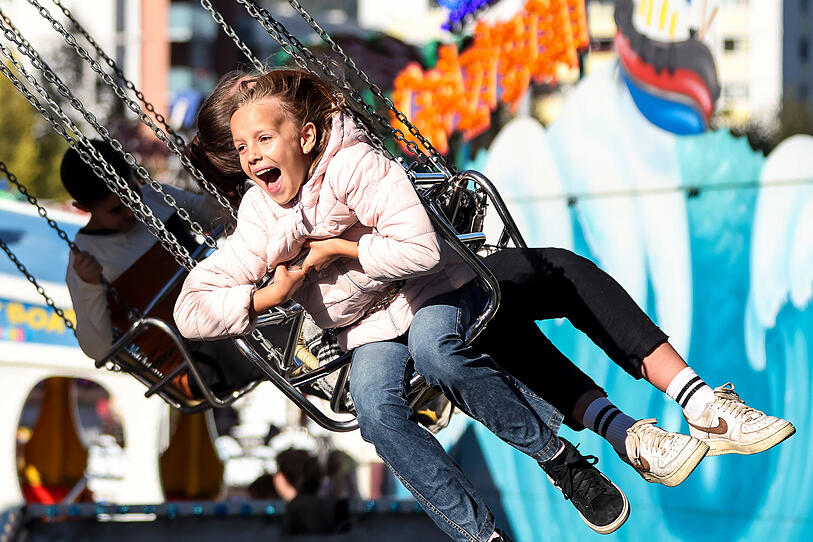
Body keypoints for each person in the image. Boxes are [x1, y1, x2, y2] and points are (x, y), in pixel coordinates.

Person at [174, 69, 629, 541]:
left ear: (305, 138)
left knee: (438, 353)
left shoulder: (356, 164)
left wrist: (338, 249)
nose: (252, 157)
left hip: (427, 290)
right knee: (373, 409)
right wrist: (266, 294)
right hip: (366, 327)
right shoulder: (260, 215)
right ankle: (480, 536)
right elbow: (190, 311)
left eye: (264, 139)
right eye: (242, 147)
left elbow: (421, 252)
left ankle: (562, 462)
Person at [61, 139, 263, 400]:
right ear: (83, 209)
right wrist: (90, 286)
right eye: (116, 209)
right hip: (191, 359)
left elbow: (223, 218)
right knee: (277, 333)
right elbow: (97, 348)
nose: (133, 209)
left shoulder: (155, 198)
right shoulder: (89, 261)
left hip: (229, 314)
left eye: (133, 193)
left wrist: (213, 181)